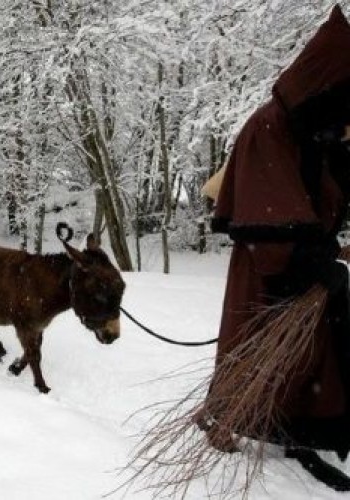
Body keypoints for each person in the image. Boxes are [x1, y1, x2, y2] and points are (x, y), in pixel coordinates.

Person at [198, 4, 350, 491]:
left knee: (313, 351)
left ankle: (303, 430)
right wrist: (312, 259)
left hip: (308, 257)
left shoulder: (316, 130)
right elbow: (272, 212)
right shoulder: (270, 126)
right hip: (269, 265)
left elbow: (330, 186)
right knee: (257, 347)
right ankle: (232, 417)